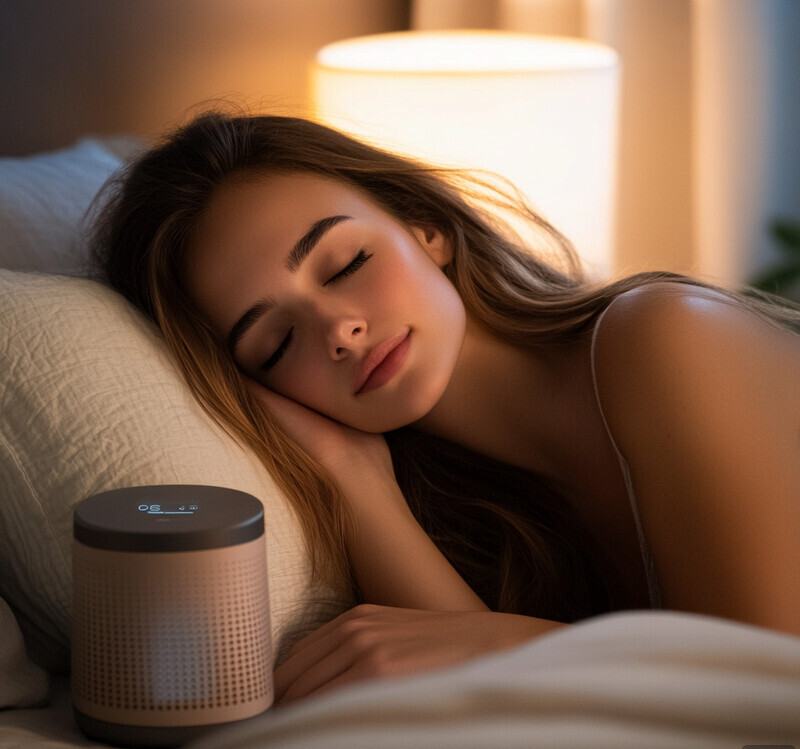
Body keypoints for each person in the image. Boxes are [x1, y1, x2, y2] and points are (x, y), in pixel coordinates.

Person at [92, 110, 800, 706]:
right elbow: (483, 707)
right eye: (277, 343)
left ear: (425, 228)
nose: (339, 331)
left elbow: (769, 712)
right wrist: (355, 479)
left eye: (345, 264)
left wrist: (503, 642)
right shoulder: (466, 522)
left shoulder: (667, 337)